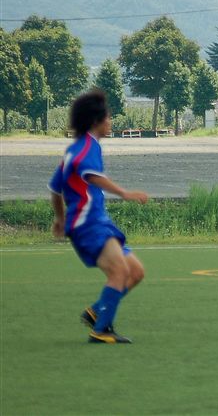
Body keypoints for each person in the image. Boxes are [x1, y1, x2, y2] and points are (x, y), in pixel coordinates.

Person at [49, 90, 149, 343]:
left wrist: (60, 219)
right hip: (89, 224)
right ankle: (101, 330)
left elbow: (55, 188)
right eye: (109, 117)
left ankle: (96, 312)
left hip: (96, 223)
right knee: (119, 272)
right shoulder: (87, 147)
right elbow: (91, 176)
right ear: (97, 121)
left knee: (135, 272)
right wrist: (124, 193)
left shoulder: (74, 149)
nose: (110, 122)